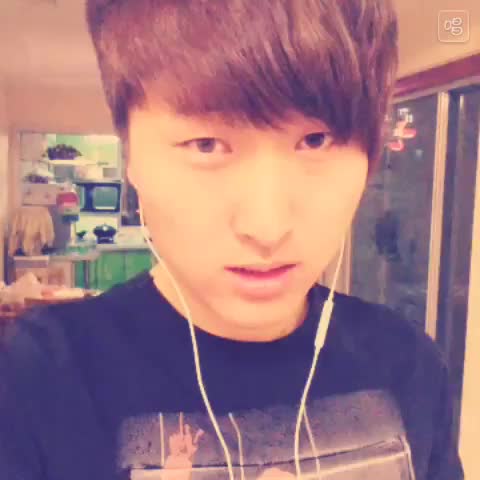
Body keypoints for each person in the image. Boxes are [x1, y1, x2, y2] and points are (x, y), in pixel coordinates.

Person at [0, 1, 464, 479]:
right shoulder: (35, 380)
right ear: (130, 158)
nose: (266, 227)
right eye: (206, 144)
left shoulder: (408, 365)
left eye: (316, 140)